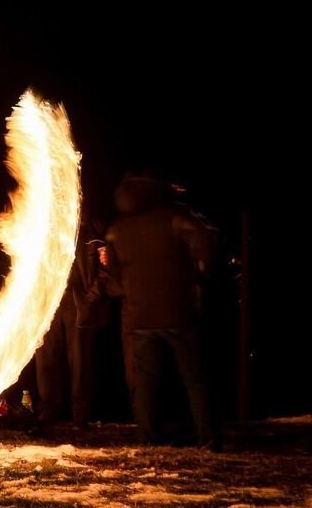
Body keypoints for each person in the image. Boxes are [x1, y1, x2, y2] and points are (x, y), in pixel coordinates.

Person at [103, 170, 219, 449]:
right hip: (178, 312)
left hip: (141, 315)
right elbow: (207, 243)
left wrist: (129, 288)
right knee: (194, 377)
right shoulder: (176, 218)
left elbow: (112, 272)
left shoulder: (118, 228)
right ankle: (208, 436)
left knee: (146, 378)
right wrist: (200, 275)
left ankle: (148, 436)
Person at [34, 211, 108, 428]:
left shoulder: (92, 229)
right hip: (47, 302)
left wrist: (91, 297)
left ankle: (80, 416)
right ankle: (48, 412)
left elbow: (106, 266)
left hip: (78, 303)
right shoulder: (41, 226)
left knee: (80, 362)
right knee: (45, 359)